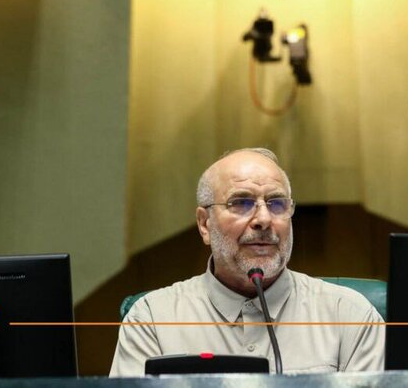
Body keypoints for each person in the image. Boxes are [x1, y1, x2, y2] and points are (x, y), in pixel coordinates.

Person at [109, 147, 385, 375]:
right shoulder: (152, 320)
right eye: (241, 203)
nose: (263, 219)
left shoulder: (349, 316)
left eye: (277, 203)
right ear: (205, 225)